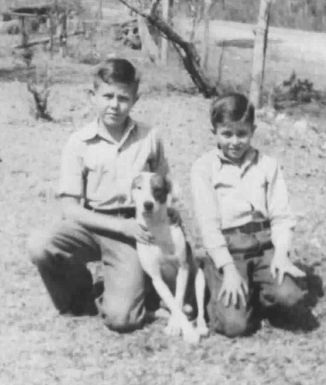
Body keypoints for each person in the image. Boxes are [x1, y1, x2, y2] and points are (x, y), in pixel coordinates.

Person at [28, 56, 171, 332]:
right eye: (107, 96)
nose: (114, 105)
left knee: (122, 319)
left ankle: (132, 287)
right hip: (92, 224)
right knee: (40, 243)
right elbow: (70, 208)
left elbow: (163, 185)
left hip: (135, 228)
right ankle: (80, 295)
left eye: (123, 98)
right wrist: (120, 226)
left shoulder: (150, 137)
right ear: (92, 96)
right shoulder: (78, 142)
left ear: (135, 100)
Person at [191, 93, 307, 338]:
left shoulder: (267, 165)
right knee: (235, 326)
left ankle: (256, 289)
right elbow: (209, 228)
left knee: (291, 297)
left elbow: (281, 217)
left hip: (264, 246)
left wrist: (282, 255)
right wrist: (230, 271)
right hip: (229, 250)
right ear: (214, 132)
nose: (235, 141)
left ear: (253, 130)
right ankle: (220, 282)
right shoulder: (204, 168)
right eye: (227, 134)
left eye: (242, 133)